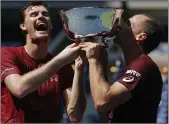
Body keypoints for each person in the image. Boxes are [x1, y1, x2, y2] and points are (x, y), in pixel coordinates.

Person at [1, 1, 86, 123]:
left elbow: (75, 116)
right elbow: (19, 89)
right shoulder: (6, 53)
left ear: (50, 25)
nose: (41, 16)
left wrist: (79, 69)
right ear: (23, 25)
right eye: (34, 14)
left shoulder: (63, 66)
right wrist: (60, 60)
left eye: (45, 14)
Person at [80, 14, 163, 123]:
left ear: (140, 37)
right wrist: (101, 62)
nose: (120, 26)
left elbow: (101, 102)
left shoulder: (142, 65)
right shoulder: (134, 65)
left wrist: (93, 59)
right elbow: (105, 112)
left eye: (128, 24)